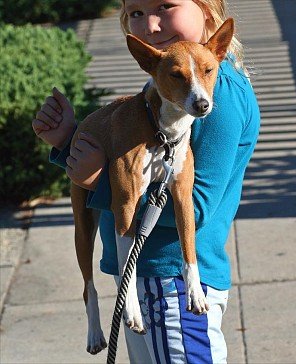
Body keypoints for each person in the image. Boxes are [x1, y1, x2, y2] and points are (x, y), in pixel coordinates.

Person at [32, 1, 260, 363]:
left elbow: (196, 206)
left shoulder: (217, 95)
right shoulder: (168, 76)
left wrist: (103, 182)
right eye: (136, 12)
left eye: (166, 6)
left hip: (174, 286)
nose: (151, 25)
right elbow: (133, 155)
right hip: (145, 281)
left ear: (206, 7)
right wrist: (68, 141)